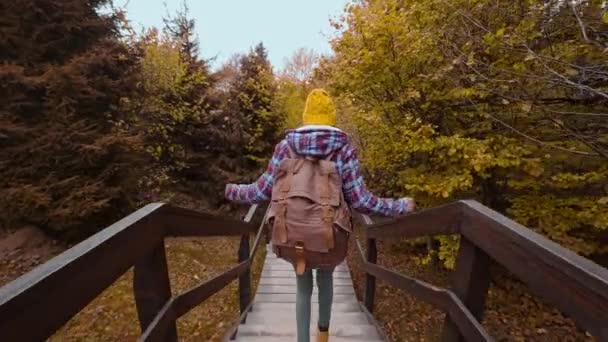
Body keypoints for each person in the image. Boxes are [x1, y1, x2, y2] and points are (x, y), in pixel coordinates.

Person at [225, 88, 415, 342]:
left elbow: (262, 190)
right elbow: (360, 200)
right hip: (329, 234)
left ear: (306, 118)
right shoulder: (343, 149)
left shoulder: (285, 147)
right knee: (325, 278)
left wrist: (232, 190)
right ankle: (322, 335)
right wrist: (399, 206)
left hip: (292, 231)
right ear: (331, 118)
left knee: (303, 287)